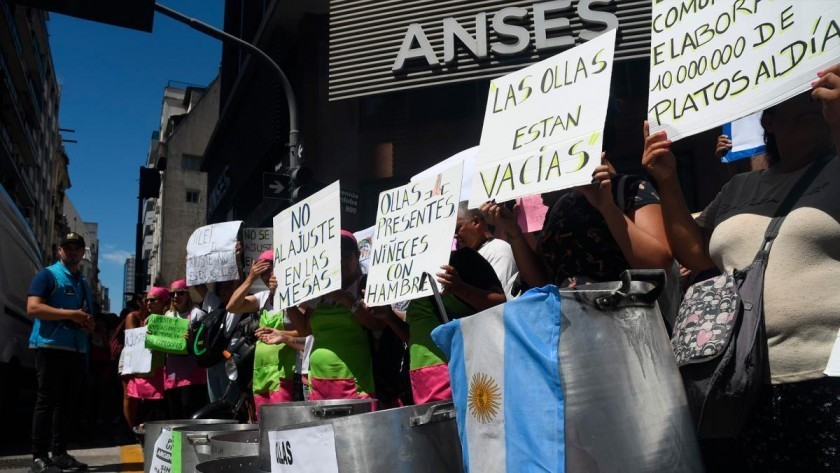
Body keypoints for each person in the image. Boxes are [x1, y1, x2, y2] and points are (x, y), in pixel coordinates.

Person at [641, 66, 840, 471]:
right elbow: (695, 255)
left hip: (829, 378)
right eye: (799, 98)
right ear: (768, 118)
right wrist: (668, 181)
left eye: (816, 96)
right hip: (743, 387)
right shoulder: (738, 189)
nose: (813, 98)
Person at [479, 156, 673, 289]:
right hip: (575, 335)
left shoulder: (629, 188)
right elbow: (542, 282)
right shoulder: (559, 208)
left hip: (631, 329)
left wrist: (607, 208)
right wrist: (514, 234)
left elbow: (658, 264)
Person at [374, 247, 506, 404]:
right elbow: (416, 338)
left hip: (463, 375)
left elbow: (501, 305)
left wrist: (461, 288)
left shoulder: (463, 258)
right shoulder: (409, 274)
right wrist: (389, 317)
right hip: (424, 383)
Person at [282, 231, 382, 402]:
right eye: (335, 257)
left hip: (354, 385)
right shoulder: (321, 292)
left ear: (357, 256)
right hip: (320, 384)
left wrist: (346, 300)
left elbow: (377, 324)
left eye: (345, 255)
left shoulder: (367, 284)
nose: (341, 261)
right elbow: (305, 329)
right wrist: (286, 299)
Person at [26, 232, 94, 473]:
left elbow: (88, 318)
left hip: (75, 350)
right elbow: (33, 307)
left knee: (66, 405)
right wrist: (71, 315)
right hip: (50, 346)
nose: (72, 251)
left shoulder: (83, 283)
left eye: (76, 248)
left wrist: (88, 324)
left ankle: (60, 453)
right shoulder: (48, 274)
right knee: (46, 401)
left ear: (82, 253)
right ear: (59, 251)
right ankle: (39, 457)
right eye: (67, 248)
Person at [227, 250, 298, 414]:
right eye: (262, 273)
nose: (266, 276)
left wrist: (281, 335)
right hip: (261, 374)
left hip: (284, 374)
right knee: (264, 424)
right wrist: (250, 278)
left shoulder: (293, 295)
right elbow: (232, 306)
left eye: (269, 270)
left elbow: (306, 331)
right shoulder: (264, 297)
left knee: (281, 423)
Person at [163, 279, 208, 418]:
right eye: (172, 294)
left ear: (188, 294)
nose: (176, 297)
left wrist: (192, 340)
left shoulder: (197, 314)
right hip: (172, 373)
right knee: (174, 413)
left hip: (192, 373)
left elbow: (204, 343)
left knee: (189, 410)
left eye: (180, 293)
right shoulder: (168, 316)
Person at [455, 202, 518, 298]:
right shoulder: (466, 258)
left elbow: (500, 300)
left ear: (476, 222)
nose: (454, 236)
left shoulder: (498, 250)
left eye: (457, 229)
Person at [125, 288, 168, 428]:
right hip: (146, 367)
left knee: (159, 407)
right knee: (142, 402)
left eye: (153, 300)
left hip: (162, 368)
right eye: (147, 300)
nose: (149, 303)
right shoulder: (144, 318)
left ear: (163, 302)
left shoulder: (169, 318)